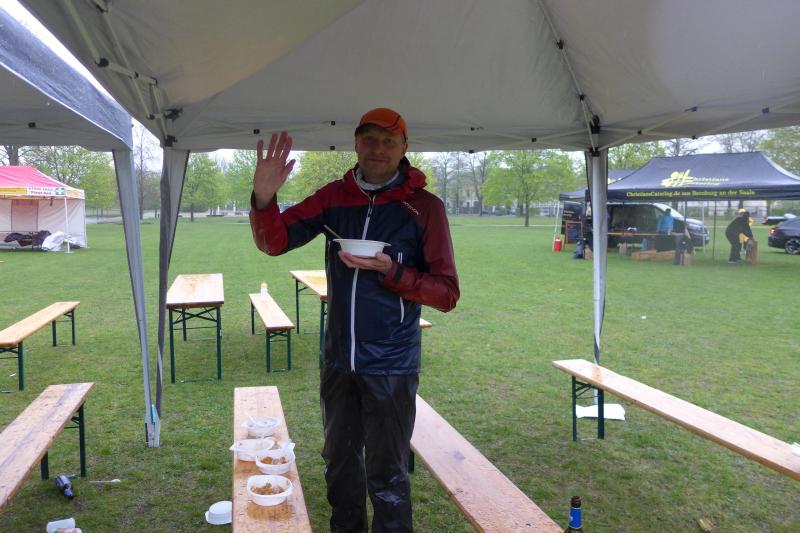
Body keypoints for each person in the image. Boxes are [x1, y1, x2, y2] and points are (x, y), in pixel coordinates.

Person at [249, 107, 460, 532]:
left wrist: (393, 272)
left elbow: (446, 293)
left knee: (387, 474)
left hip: (391, 364)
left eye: (388, 141)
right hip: (338, 361)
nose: (378, 149)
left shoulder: (424, 208)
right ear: (356, 144)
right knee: (339, 463)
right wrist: (264, 199)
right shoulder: (334, 196)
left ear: (404, 147)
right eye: (369, 139)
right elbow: (275, 242)